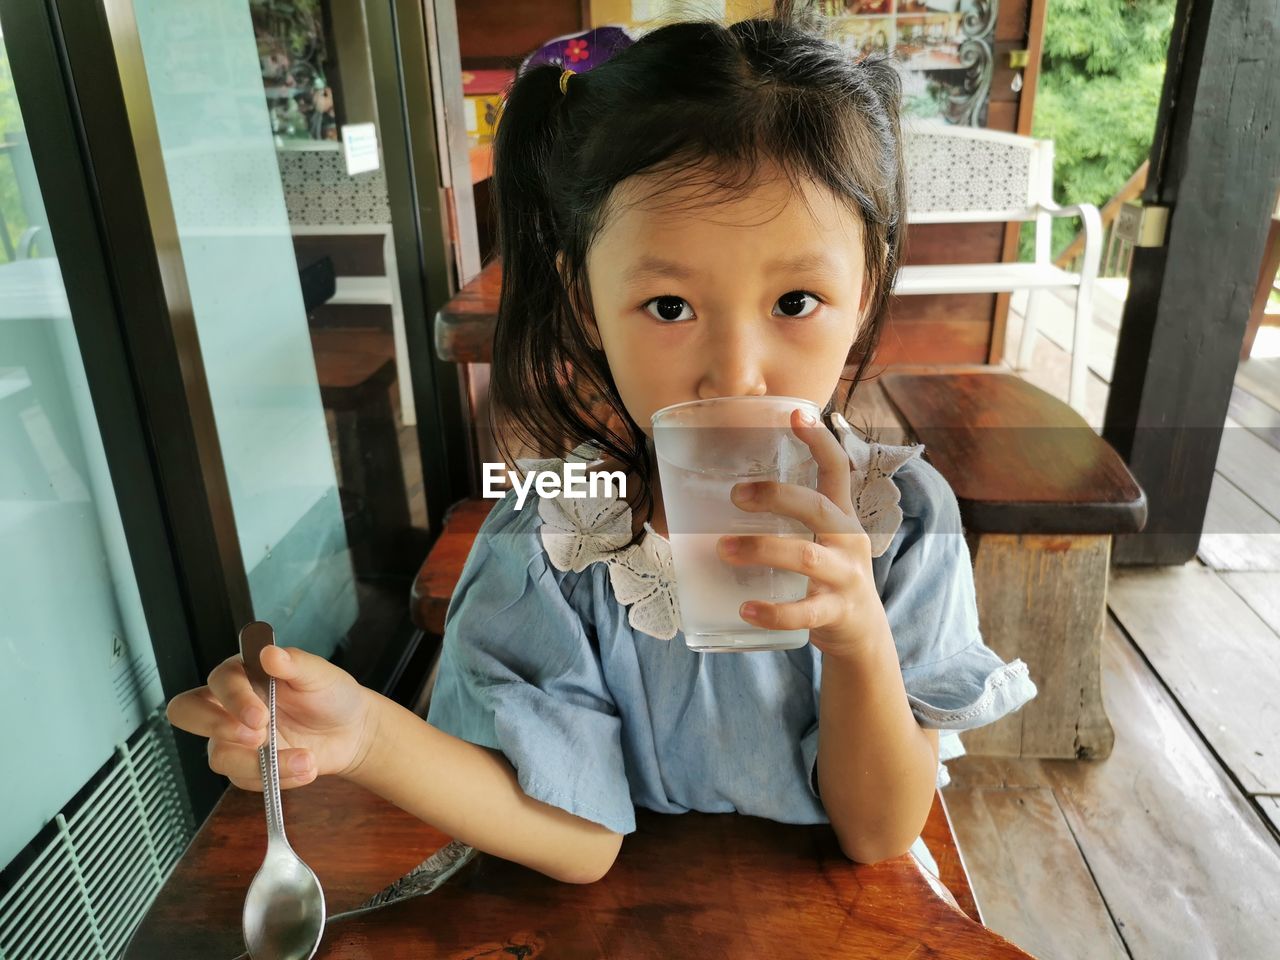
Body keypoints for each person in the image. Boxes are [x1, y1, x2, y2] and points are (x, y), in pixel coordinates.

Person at [165, 2, 1037, 886]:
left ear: (867, 290)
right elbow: (581, 841)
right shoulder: (552, 545)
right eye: (669, 307)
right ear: (586, 304)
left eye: (796, 302)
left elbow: (878, 834)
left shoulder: (906, 525)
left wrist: (857, 643)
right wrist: (366, 734)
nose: (735, 374)